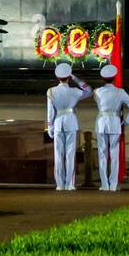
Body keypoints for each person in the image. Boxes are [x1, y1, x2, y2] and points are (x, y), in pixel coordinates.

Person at [46, 62, 92, 191]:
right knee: (70, 154)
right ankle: (70, 184)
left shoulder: (51, 91)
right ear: (68, 76)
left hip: (58, 122)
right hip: (71, 122)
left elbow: (50, 112)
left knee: (58, 154)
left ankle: (60, 184)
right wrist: (76, 78)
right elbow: (89, 91)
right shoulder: (75, 91)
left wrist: (50, 126)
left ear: (57, 77)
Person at [92, 63, 129, 191]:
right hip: (115, 122)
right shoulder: (120, 92)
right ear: (114, 77)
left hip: (101, 122)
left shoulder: (97, 92)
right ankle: (113, 184)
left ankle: (104, 184)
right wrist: (127, 122)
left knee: (102, 154)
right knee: (114, 154)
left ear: (102, 78)